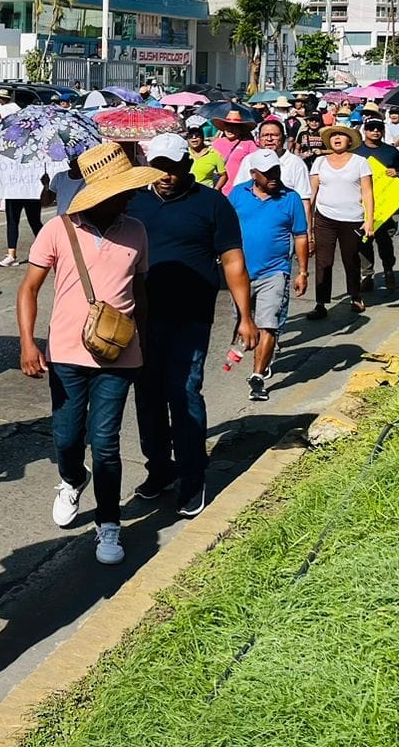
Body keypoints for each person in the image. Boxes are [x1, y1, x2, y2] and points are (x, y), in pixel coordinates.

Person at [17, 144, 158, 563]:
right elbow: (28, 288)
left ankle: (109, 524)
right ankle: (72, 479)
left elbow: (141, 292)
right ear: (100, 193)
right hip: (65, 355)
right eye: (123, 190)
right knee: (66, 436)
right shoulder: (58, 230)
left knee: (106, 442)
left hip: (120, 356)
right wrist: (28, 342)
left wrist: (144, 344)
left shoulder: (137, 230)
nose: (131, 197)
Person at [128, 133, 257, 517]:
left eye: (174, 167)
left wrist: (245, 316)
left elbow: (233, 261)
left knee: (183, 394)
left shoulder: (212, 203)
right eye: (160, 167)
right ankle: (160, 470)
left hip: (190, 318)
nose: (167, 175)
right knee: (148, 397)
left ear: (188, 165)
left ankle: (192, 477)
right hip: (140, 319)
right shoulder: (133, 200)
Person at [228, 150, 309, 401]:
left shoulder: (290, 198)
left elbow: (300, 235)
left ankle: (258, 376)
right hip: (239, 273)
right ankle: (262, 356)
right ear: (254, 174)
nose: (273, 177)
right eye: (267, 173)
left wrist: (302, 271)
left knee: (268, 324)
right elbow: (224, 228)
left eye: (276, 171)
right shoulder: (238, 194)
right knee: (244, 324)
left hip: (275, 271)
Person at [306, 124, 374, 319]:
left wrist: (369, 220)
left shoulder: (360, 162)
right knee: (323, 261)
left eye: (341, 136)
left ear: (349, 141)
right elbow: (312, 193)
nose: (337, 138)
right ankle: (320, 303)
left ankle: (355, 296)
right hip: (324, 218)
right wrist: (308, 220)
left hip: (352, 219)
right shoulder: (319, 162)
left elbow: (368, 192)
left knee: (351, 259)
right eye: (334, 136)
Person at [355, 119, 399, 292]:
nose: (375, 131)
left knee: (385, 242)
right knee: (364, 241)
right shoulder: (356, 151)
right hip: (361, 205)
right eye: (370, 128)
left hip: (385, 206)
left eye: (378, 129)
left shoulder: (391, 151)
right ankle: (367, 275)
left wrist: (396, 173)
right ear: (365, 131)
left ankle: (389, 271)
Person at [210, 109, 258, 197]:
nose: (230, 129)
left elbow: (256, 164)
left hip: (240, 189)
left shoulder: (249, 144)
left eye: (234, 126)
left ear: (240, 128)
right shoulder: (217, 143)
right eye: (228, 125)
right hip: (219, 188)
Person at [186, 122, 226, 189]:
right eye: (190, 135)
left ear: (203, 137)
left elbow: (223, 175)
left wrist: (216, 189)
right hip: (186, 192)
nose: (194, 138)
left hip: (205, 192)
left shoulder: (214, 154)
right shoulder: (184, 153)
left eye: (197, 135)